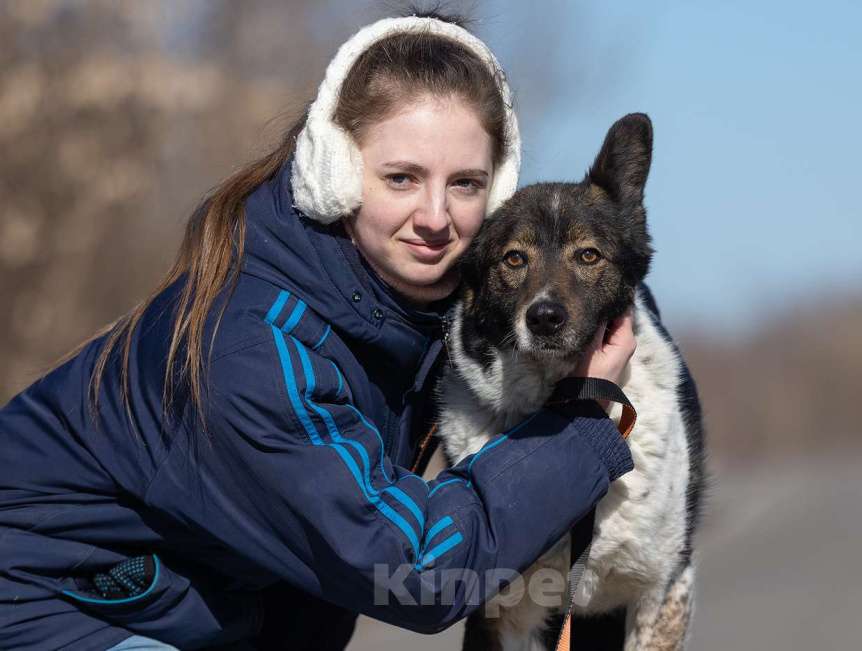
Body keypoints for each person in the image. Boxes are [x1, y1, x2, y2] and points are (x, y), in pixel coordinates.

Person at [0, 12, 638, 651]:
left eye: (466, 184)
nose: (437, 216)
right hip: (48, 604)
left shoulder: (410, 315)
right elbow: (412, 572)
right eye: (402, 178)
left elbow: (319, 574)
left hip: (179, 613)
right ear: (333, 172)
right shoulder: (254, 349)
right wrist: (578, 429)